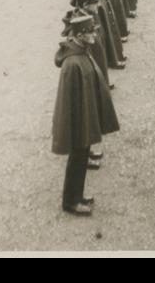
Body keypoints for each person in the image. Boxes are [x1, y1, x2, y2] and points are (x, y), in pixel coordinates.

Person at [52, 11, 119, 216]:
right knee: (77, 159)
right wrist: (75, 125)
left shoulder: (82, 51)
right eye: (90, 32)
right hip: (77, 121)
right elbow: (68, 101)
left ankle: (77, 196)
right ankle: (71, 201)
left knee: (81, 158)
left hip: (85, 117)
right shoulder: (72, 63)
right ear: (80, 34)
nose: (94, 35)